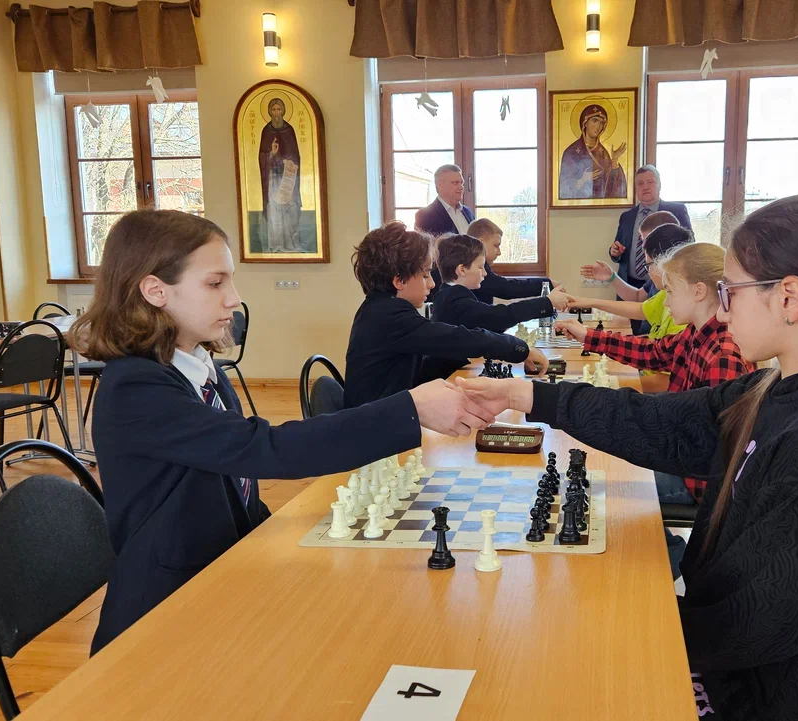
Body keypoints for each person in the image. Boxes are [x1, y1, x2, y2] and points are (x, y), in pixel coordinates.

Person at [459, 194, 798, 720]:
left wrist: (629, 623)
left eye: (731, 291)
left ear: (789, 297)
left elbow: (760, 622)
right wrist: (527, 396)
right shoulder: (774, 389)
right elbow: (662, 423)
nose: (723, 306)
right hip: (727, 654)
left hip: (750, 693)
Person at [71, 210, 495, 654]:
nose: (234, 299)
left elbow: (238, 488)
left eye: (231, 281)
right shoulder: (136, 388)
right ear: (155, 290)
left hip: (224, 580)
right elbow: (264, 449)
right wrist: (411, 407)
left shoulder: (197, 366)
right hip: (161, 620)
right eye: (215, 283)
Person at [558, 242, 752, 574]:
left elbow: (713, 449)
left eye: (670, 291)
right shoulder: (696, 334)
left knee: (611, 485)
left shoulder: (724, 354)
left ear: (698, 291)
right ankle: (672, 555)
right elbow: (652, 352)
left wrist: (641, 432)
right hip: (681, 457)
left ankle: (667, 569)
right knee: (605, 470)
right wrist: (587, 336)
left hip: (697, 480)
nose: (665, 300)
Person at [344, 222, 548, 409]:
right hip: (376, 426)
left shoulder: (379, 308)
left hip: (381, 415)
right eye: (425, 274)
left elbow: (426, 364)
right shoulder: (390, 317)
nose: (432, 283)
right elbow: (456, 338)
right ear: (399, 281)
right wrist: (517, 348)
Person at [425, 234, 569, 380]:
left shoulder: (450, 294)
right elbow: (499, 318)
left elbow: (492, 325)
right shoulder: (455, 300)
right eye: (480, 267)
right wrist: (547, 302)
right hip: (446, 377)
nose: (485, 273)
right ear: (462, 270)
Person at [576, 220, 693, 340]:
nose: (666, 303)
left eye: (648, 265)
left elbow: (657, 349)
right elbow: (640, 306)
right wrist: (588, 301)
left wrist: (592, 337)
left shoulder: (682, 312)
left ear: (663, 263)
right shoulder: (666, 292)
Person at [609, 167, 692, 333]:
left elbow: (687, 244)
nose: (645, 187)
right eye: (640, 183)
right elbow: (619, 245)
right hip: (633, 283)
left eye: (650, 182)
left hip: (664, 279)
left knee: (654, 330)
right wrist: (615, 252)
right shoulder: (627, 216)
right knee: (635, 331)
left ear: (659, 185)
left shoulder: (676, 211)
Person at [465, 218, 554, 305]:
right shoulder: (473, 268)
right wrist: (547, 284)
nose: (499, 252)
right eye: (496, 245)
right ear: (481, 243)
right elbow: (506, 288)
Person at [258, 97, 304, 252]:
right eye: (273, 110)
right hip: (273, 180)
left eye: (278, 109)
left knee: (290, 209)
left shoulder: (289, 130)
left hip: (288, 179)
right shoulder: (266, 131)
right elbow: (262, 157)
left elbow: (295, 156)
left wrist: (287, 161)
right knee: (275, 210)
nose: (276, 113)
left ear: (283, 111)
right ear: (269, 112)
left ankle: (291, 244)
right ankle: (276, 244)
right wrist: (272, 153)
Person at [558, 103, 628, 200]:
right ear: (585, 123)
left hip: (602, 207)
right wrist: (583, 180)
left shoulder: (604, 154)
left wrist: (614, 160)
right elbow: (564, 188)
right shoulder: (571, 152)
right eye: (594, 121)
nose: (598, 126)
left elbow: (614, 188)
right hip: (578, 206)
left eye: (601, 123)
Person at [414, 164, 472, 237]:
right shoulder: (425, 216)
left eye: (461, 183)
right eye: (455, 183)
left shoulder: (468, 212)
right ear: (440, 185)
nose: (461, 187)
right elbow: (424, 244)